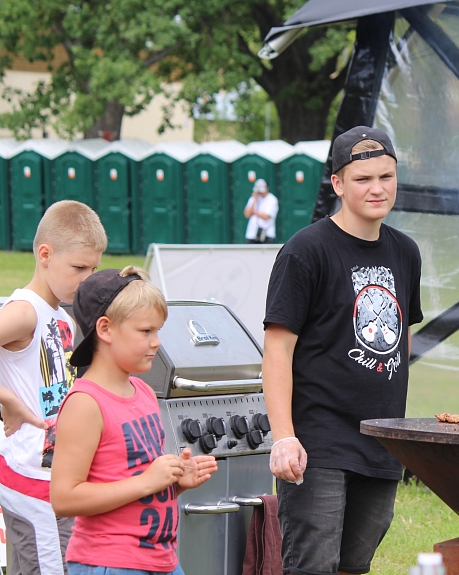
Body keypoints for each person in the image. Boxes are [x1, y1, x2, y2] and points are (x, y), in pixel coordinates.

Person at [262, 126, 422, 575]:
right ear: (337, 183)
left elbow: (401, 338)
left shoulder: (405, 253)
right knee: (313, 566)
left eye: (386, 177)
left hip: (381, 442)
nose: (377, 189)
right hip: (319, 442)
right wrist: (284, 436)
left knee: (355, 566)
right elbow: (277, 350)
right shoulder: (305, 252)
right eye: (363, 179)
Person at [49, 266, 218, 575]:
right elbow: (63, 497)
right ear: (105, 329)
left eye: (157, 331)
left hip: (162, 561)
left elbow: (138, 481)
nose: (157, 343)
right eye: (145, 331)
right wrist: (146, 481)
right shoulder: (85, 404)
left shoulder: (144, 392)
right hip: (109, 564)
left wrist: (173, 482)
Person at [0, 200, 106, 575]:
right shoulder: (24, 311)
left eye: (93, 268)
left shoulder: (62, 316)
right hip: (31, 481)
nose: (88, 278)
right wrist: (6, 398)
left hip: (58, 477)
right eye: (79, 267)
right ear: (45, 254)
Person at [244, 178, 279, 244]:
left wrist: (254, 212)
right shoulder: (253, 199)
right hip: (252, 233)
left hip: (266, 233)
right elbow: (247, 214)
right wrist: (254, 199)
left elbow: (266, 216)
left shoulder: (272, 199)